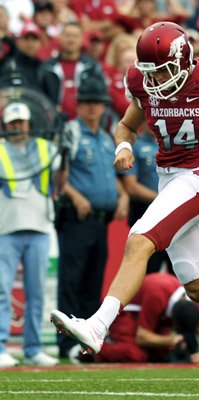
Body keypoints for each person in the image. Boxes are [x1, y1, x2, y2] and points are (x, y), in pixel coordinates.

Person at [50, 22, 199, 388]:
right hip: (170, 179)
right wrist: (123, 146)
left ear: (184, 60)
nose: (156, 80)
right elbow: (125, 126)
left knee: (140, 239)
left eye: (163, 70)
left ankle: (97, 325)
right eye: (150, 73)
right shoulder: (143, 82)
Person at [54, 73, 130, 358]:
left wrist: (122, 195)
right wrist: (74, 195)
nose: (91, 108)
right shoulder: (71, 132)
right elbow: (58, 173)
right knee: (72, 281)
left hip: (101, 220)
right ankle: (65, 343)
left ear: (103, 106)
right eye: (86, 102)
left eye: (96, 103)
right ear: (79, 105)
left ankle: (87, 338)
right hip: (76, 216)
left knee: (93, 280)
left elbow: (112, 174)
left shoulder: (107, 137)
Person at [0, 102, 59, 367]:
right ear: (5, 126)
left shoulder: (47, 148)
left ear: (28, 123)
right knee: (2, 291)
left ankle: (33, 348)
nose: (17, 128)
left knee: (36, 293)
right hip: (6, 229)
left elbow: (61, 179)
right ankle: (1, 347)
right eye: (12, 124)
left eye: (20, 122)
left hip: (39, 227)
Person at [80, 273, 199, 364]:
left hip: (148, 313)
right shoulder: (157, 294)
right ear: (172, 320)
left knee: (163, 352)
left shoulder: (192, 299)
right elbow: (142, 337)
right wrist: (173, 340)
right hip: (124, 314)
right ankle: (87, 350)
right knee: (137, 354)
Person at [121, 126, 172, 274]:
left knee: (179, 273)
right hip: (147, 215)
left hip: (172, 215)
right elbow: (131, 186)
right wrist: (162, 198)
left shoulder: (172, 144)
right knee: (147, 269)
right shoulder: (135, 146)